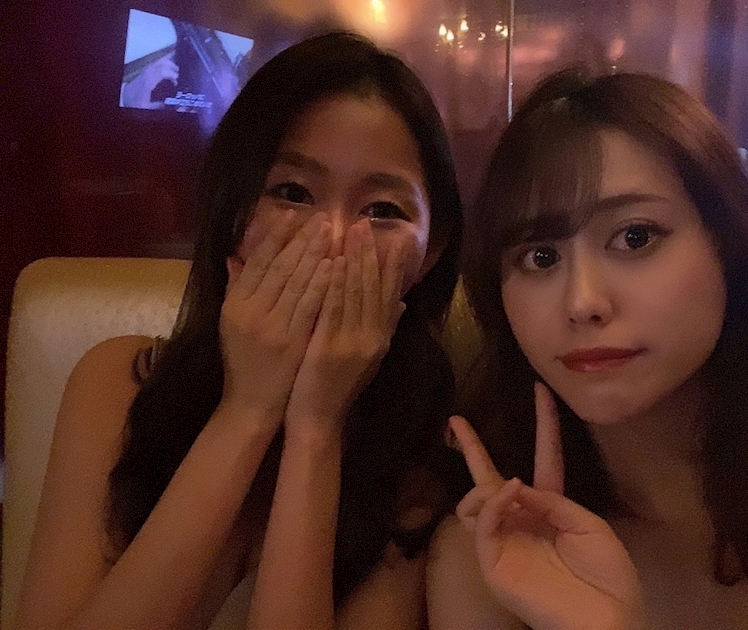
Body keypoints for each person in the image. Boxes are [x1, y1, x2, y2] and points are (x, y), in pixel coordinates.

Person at [16, 31, 465, 629]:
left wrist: (316, 426)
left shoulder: (424, 465)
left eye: (382, 210)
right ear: (232, 216)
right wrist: (248, 408)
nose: (333, 241)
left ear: (431, 253)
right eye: (292, 193)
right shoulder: (118, 384)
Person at [426, 68, 748, 630]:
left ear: (730, 249)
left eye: (634, 236)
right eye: (540, 258)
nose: (583, 302)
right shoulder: (491, 554)